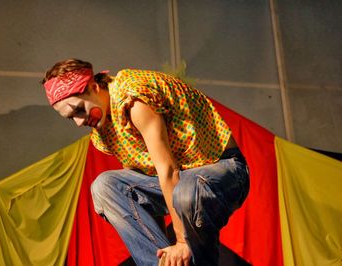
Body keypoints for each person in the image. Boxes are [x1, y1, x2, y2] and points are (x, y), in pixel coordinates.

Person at [42, 58, 250, 266]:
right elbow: (140, 183)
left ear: (94, 87)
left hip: (221, 170)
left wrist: (180, 242)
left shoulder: (134, 100)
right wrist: (165, 252)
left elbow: (168, 171)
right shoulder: (104, 125)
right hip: (180, 181)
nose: (79, 122)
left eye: (79, 109)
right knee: (105, 187)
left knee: (186, 193)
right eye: (71, 118)